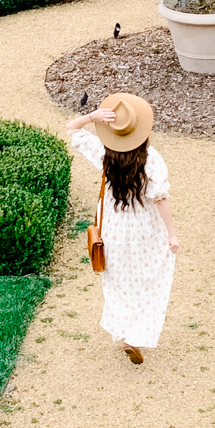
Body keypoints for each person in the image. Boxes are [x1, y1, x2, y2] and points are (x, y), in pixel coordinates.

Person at [65, 93, 179, 366]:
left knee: (120, 282)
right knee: (150, 280)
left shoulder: (106, 154)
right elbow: (159, 198)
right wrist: (172, 234)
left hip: (114, 226)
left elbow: (72, 128)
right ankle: (136, 336)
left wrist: (93, 117)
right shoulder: (150, 158)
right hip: (144, 226)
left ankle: (125, 329)